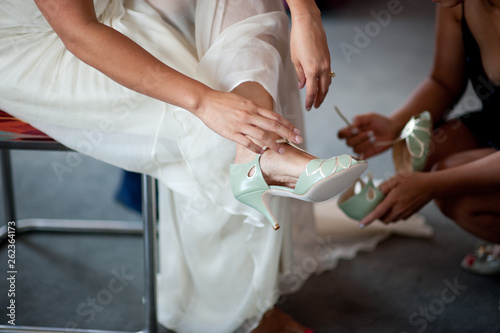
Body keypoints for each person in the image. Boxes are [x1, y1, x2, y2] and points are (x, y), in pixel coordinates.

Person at [0, 0, 364, 331]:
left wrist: (305, 13)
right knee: (210, 109)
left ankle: (256, 153)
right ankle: (241, 317)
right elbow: (79, 32)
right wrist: (205, 102)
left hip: (120, 7)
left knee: (246, 14)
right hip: (49, 45)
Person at [338, 0, 500, 274]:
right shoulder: (454, 3)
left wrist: (433, 184)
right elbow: (443, 82)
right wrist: (394, 124)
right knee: (425, 149)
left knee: (460, 197)